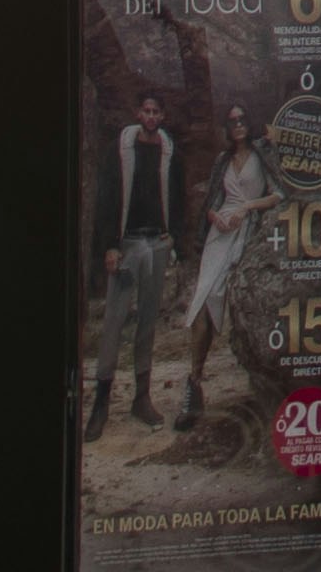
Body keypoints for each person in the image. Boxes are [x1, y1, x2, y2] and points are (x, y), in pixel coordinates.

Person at [88, 85, 183, 438]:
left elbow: (178, 195)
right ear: (138, 113)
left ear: (163, 116)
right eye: (146, 111)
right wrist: (109, 246)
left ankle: (141, 398)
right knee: (114, 320)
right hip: (127, 244)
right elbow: (108, 196)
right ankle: (101, 404)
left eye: (157, 112)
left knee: (147, 321)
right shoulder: (122, 148)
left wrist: (175, 238)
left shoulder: (169, 150)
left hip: (156, 241)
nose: (152, 117)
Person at [177, 109, 273, 410]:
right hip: (218, 236)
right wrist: (214, 216)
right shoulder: (222, 160)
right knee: (202, 299)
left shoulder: (263, 155)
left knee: (222, 297)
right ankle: (194, 383)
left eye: (243, 119)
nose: (239, 125)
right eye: (233, 121)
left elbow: (279, 193)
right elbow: (212, 202)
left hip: (248, 230)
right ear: (227, 128)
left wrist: (247, 208)